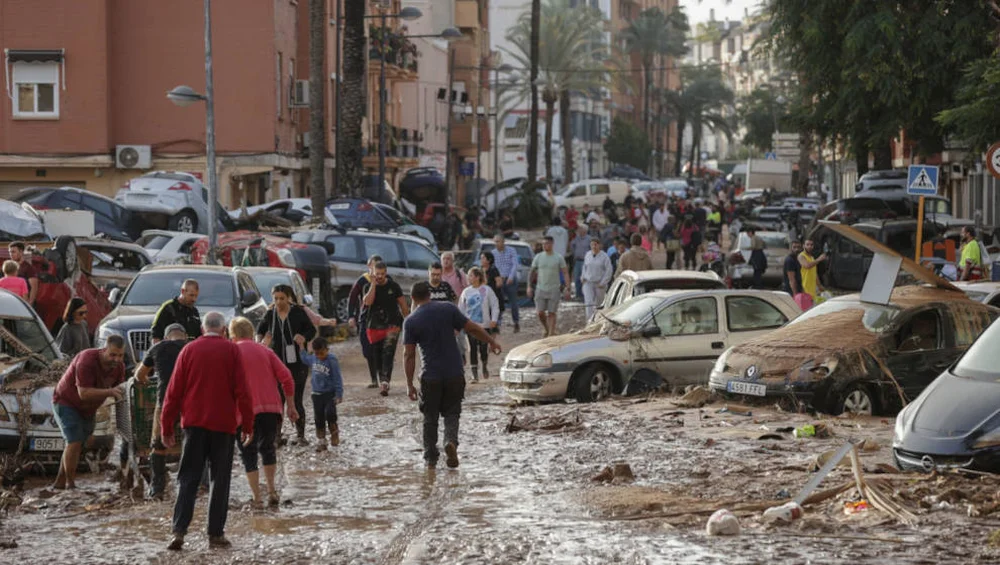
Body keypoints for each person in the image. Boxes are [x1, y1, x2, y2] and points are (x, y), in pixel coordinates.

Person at [161, 312, 254, 551]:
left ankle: (179, 531)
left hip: (193, 425)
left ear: (203, 330)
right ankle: (215, 534)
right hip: (223, 426)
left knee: (188, 478)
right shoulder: (232, 351)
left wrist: (166, 425)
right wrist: (248, 425)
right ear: (224, 330)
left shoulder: (189, 350)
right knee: (219, 479)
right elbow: (243, 390)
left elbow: (173, 392)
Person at [403, 282, 502, 469]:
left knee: (430, 417)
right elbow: (472, 328)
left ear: (413, 298)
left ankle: (430, 459)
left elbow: (408, 355)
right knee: (452, 413)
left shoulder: (411, 320)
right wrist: (491, 342)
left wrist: (409, 384)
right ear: (429, 295)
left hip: (430, 376)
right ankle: (450, 441)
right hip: (454, 373)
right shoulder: (448, 309)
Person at [229, 317, 296, 508]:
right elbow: (287, 378)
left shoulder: (232, 353)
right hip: (271, 409)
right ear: (251, 333)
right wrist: (291, 405)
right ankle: (272, 491)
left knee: (247, 453)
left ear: (233, 336)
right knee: (268, 449)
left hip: (243, 412)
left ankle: (257, 498)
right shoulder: (266, 351)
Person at [50, 337, 126, 490]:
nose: (116, 359)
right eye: (112, 355)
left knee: (78, 443)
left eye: (120, 355)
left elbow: (120, 391)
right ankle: (71, 486)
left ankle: (59, 483)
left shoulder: (119, 367)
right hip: (66, 401)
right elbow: (83, 393)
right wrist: (110, 391)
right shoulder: (87, 360)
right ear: (103, 350)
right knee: (74, 441)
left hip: (89, 408)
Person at [133, 323, 188, 500]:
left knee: (158, 444)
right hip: (190, 401)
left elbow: (139, 376)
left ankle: (157, 489)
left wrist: (146, 381)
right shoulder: (190, 347)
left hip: (165, 400)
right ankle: (199, 485)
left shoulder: (157, 348)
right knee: (192, 441)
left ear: (166, 337)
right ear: (185, 336)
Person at [256, 284, 316, 445]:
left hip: (297, 363)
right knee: (278, 400)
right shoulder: (270, 314)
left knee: (296, 398)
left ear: (289, 298)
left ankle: (300, 435)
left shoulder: (298, 312)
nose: (279, 302)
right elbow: (259, 330)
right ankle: (277, 435)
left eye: (282, 298)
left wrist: (303, 337)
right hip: (275, 363)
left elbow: (312, 330)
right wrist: (261, 342)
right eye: (276, 298)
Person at [362, 261, 409, 396]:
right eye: (377, 274)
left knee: (388, 352)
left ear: (386, 273)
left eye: (382, 274)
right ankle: (382, 378)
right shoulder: (368, 286)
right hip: (374, 326)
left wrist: (409, 322)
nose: (380, 277)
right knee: (377, 355)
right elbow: (368, 302)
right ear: (373, 273)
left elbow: (403, 305)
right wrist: (373, 284)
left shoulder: (394, 286)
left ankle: (385, 381)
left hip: (392, 325)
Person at [301, 337, 343, 451]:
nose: (319, 356)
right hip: (316, 394)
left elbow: (337, 377)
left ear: (327, 349)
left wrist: (339, 394)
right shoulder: (313, 358)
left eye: (322, 353)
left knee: (330, 414)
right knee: (318, 417)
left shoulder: (332, 360)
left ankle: (334, 432)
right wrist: (301, 346)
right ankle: (321, 440)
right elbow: (304, 358)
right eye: (317, 353)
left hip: (329, 393)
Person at [458, 267, 499, 381]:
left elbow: (495, 304)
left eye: (471, 275)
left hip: (484, 325)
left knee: (483, 348)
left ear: (478, 277)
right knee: (472, 349)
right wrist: (460, 323)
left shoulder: (487, 290)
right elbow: (461, 308)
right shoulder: (466, 292)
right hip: (470, 326)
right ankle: (474, 373)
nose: (468, 278)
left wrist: (494, 319)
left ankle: (484, 365)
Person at [348, 255, 382, 388]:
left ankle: (382, 378)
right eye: (374, 265)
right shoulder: (362, 281)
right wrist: (351, 316)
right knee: (368, 350)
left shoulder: (386, 280)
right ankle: (374, 378)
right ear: (369, 266)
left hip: (381, 321)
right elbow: (352, 298)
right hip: (365, 319)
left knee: (381, 350)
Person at [528, 236, 570, 337]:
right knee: (540, 312)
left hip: (554, 288)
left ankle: (551, 333)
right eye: (543, 244)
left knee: (552, 312)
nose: (545, 246)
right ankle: (546, 328)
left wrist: (567, 287)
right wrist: (529, 286)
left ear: (551, 244)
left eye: (547, 243)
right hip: (540, 288)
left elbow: (565, 272)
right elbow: (532, 272)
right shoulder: (538, 257)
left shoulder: (558, 257)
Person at [492, 234, 521, 333]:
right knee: (498, 303)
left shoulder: (511, 251)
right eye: (495, 242)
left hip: (510, 280)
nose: (496, 244)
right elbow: (493, 267)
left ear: (503, 241)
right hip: (499, 279)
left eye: (498, 241)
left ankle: (516, 322)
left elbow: (514, 264)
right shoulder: (493, 253)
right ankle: (497, 324)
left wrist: (511, 277)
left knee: (513, 303)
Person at [581, 238, 613, 319]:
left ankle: (598, 319)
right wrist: (583, 277)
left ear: (599, 245)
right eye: (592, 244)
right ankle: (589, 320)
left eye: (595, 244)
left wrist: (603, 282)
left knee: (599, 303)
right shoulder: (588, 254)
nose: (594, 246)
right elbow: (584, 267)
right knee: (588, 302)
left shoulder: (604, 256)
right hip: (588, 282)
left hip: (599, 283)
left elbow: (609, 270)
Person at [7, 242, 38, 306]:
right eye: (10, 252)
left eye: (13, 252)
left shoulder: (28, 268)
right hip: (9, 302)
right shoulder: (8, 267)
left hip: (23, 303)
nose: (11, 254)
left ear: (21, 252)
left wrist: (30, 304)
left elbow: (34, 287)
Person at [480, 251, 505, 316]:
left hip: (495, 299)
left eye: (483, 258)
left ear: (489, 260)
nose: (481, 260)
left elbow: (499, 283)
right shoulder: (481, 270)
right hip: (485, 300)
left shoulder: (493, 269)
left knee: (494, 322)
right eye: (481, 258)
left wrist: (490, 288)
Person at [569, 225, 590, 299]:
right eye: (579, 229)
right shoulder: (576, 239)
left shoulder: (589, 239)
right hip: (577, 261)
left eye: (580, 229)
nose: (579, 231)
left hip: (586, 261)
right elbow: (572, 246)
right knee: (577, 278)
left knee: (585, 278)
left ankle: (586, 294)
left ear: (585, 230)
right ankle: (578, 294)